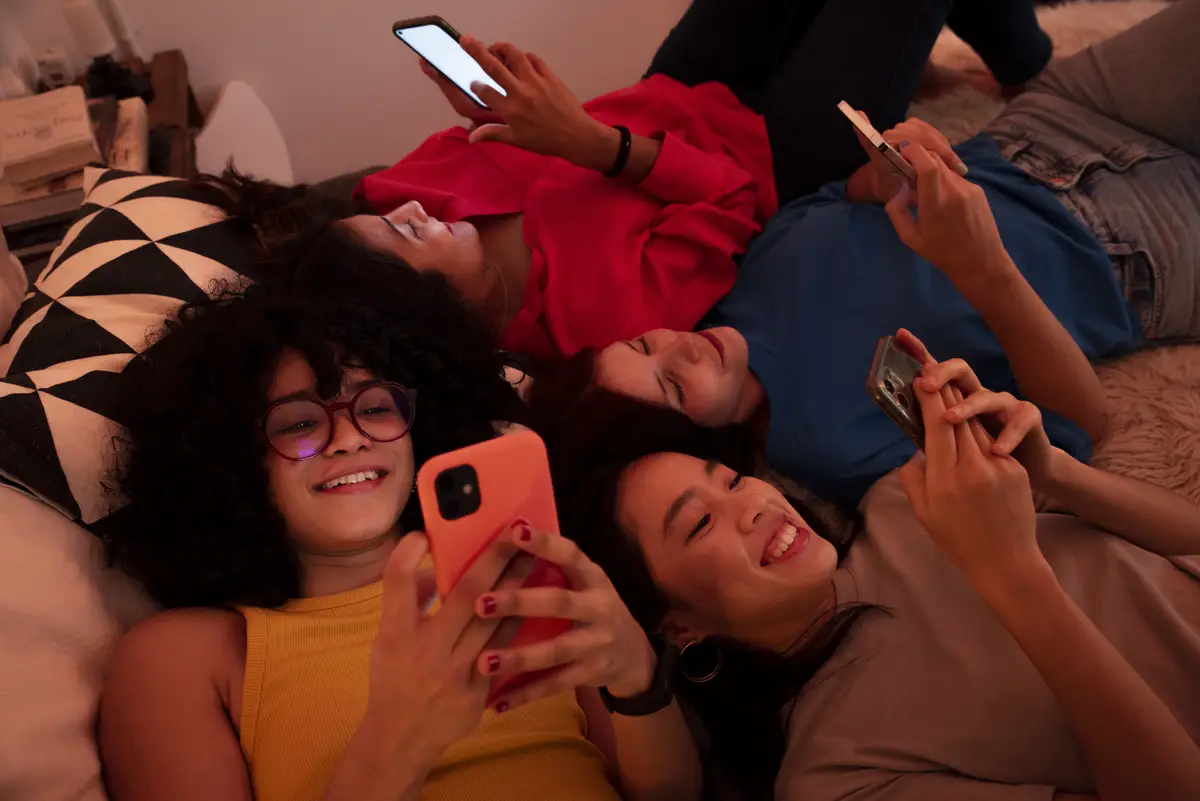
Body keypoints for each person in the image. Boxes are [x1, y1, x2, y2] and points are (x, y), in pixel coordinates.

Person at [96, 229, 702, 801]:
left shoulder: (513, 575)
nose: (349, 438)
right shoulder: (183, 657)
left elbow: (670, 795)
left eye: (375, 406)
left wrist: (637, 680)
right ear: (233, 466)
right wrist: (397, 742)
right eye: (301, 423)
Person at [566, 0, 1200, 506]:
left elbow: (842, 196)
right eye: (676, 387)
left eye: (645, 346)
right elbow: (1075, 429)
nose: (681, 347)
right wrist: (986, 271)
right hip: (1137, 251)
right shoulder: (834, 448)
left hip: (1051, 126)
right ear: (702, 448)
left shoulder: (733, 288)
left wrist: (896, 169)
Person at [549, 329, 1200, 801]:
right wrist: (1013, 573)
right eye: (698, 523)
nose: (748, 504)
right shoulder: (836, 775)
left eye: (730, 480)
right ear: (678, 625)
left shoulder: (907, 496)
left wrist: (1056, 470)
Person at [349, 0, 1050, 362]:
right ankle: (1026, 58)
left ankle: (994, 50)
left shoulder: (405, 192)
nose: (404, 204)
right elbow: (732, 203)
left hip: (674, 92)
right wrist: (590, 144)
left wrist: (491, 105)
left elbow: (461, 155)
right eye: (400, 234)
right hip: (777, 157)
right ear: (434, 317)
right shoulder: (587, 324)